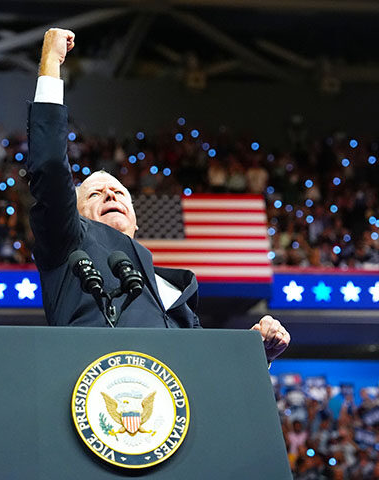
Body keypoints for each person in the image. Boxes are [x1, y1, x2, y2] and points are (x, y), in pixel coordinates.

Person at [26, 28, 290, 363]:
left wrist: (253, 353)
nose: (110, 193)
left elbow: (202, 374)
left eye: (120, 192)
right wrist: (50, 61)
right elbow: (49, 166)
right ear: (71, 213)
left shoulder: (176, 289)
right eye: (94, 193)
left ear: (135, 220)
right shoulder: (69, 244)